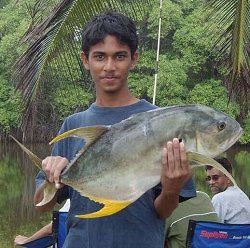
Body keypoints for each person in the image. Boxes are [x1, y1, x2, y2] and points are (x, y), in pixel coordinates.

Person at [34, 10, 196, 248]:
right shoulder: (73, 125)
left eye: (119, 56)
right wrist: (51, 178)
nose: (109, 66)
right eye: (100, 56)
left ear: (134, 58)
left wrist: (171, 190)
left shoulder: (164, 123)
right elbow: (41, 205)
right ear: (85, 60)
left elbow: (162, 212)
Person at [205, 157, 250, 224]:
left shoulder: (219, 198)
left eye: (215, 178)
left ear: (228, 177)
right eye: (208, 178)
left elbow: (212, 230)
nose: (211, 182)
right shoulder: (242, 195)